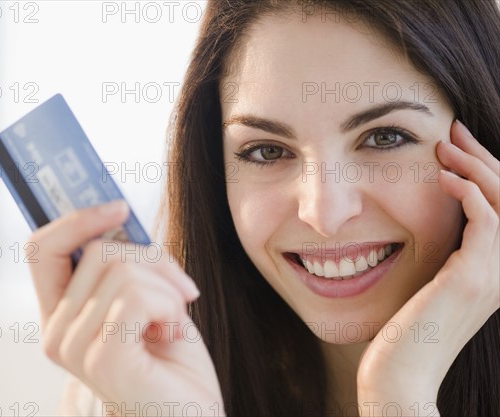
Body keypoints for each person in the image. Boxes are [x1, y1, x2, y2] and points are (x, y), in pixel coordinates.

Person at [28, 0, 500, 415]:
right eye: (268, 151)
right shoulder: (134, 394)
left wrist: (399, 395)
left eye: (385, 138)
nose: (324, 213)